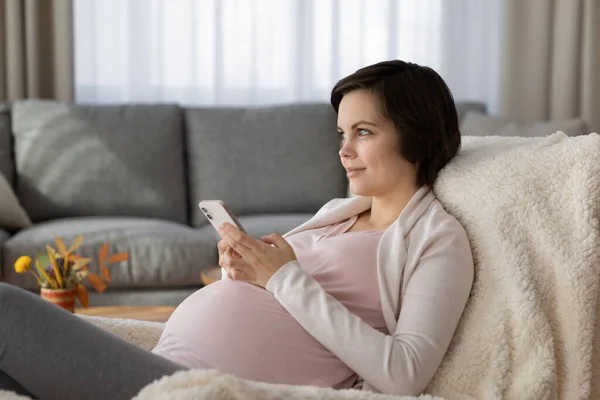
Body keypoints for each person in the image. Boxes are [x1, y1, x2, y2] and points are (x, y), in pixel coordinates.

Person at [0, 60, 473, 399]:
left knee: (6, 311)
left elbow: (407, 374)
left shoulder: (436, 238)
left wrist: (282, 277)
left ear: (417, 133)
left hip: (197, 388)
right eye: (341, 134)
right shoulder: (340, 211)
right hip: (165, 369)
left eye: (363, 132)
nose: (344, 150)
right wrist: (244, 272)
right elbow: (282, 306)